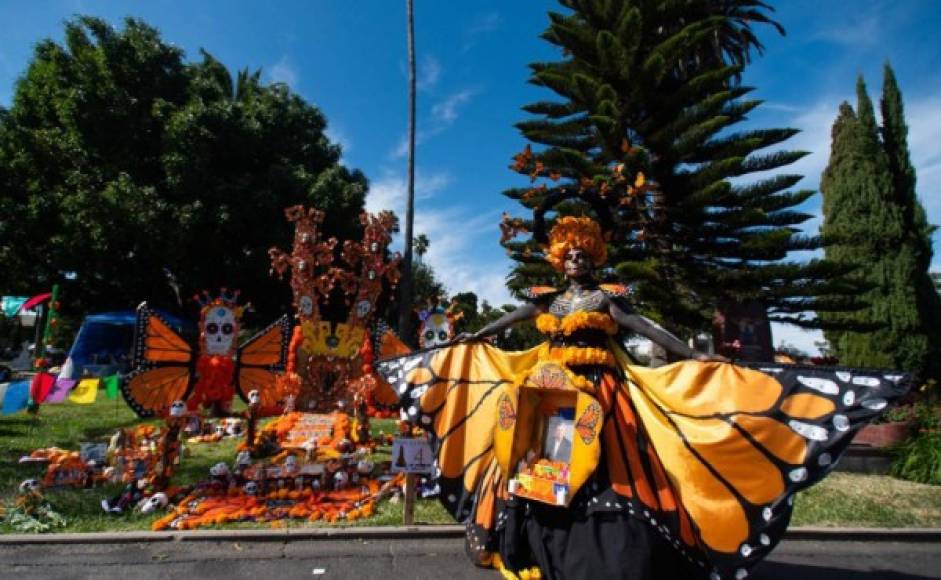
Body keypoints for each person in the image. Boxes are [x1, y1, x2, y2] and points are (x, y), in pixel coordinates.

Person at [377, 210, 909, 580]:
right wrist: (474, 338)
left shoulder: (609, 300)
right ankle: (522, 541)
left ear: (595, 260)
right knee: (531, 464)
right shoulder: (547, 301)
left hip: (604, 397)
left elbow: (649, 331)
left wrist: (695, 357)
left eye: (584, 255)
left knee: (615, 465)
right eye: (569, 256)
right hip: (544, 394)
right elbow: (509, 320)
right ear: (558, 260)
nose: (576, 262)